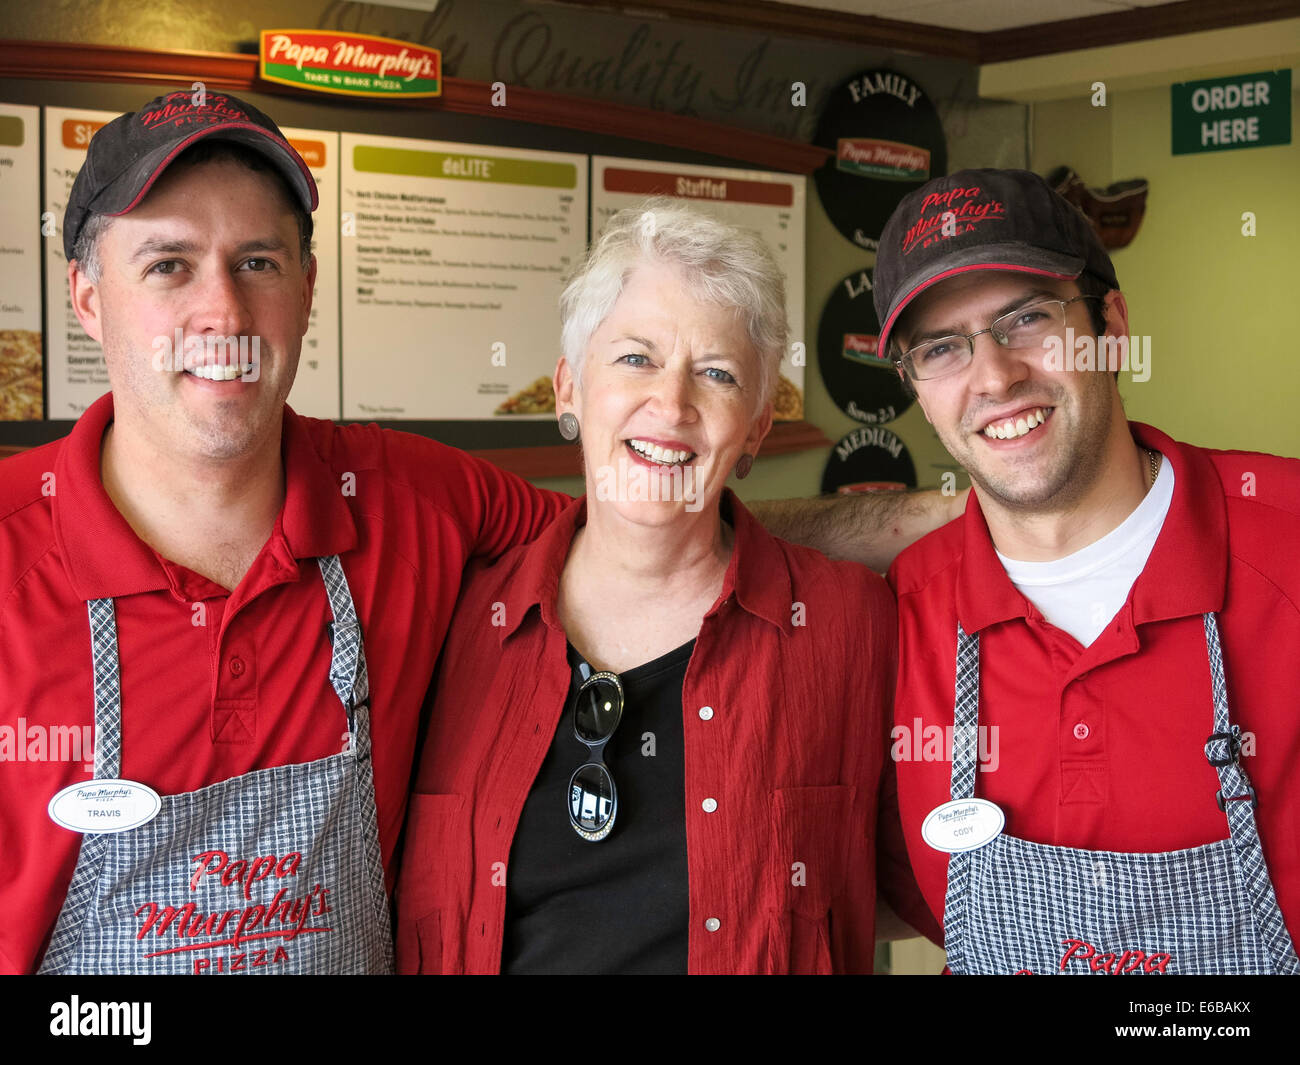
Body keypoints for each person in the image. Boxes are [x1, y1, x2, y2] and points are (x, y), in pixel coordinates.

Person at [0, 89, 950, 975]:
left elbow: (646, 524)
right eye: (168, 265)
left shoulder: (411, 505)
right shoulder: (11, 552)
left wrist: (965, 517)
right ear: (86, 295)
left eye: (258, 262)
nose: (223, 311)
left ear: (307, 286)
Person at [395, 201, 911, 974]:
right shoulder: (455, 619)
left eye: (717, 373)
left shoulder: (852, 625)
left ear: (757, 430)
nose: (672, 405)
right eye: (636, 358)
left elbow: (924, 883)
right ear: (568, 389)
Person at [874, 168, 1300, 974]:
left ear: (1111, 324)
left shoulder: (1287, 541)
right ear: (916, 392)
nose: (995, 376)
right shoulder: (902, 614)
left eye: (1027, 318)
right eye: (942, 348)